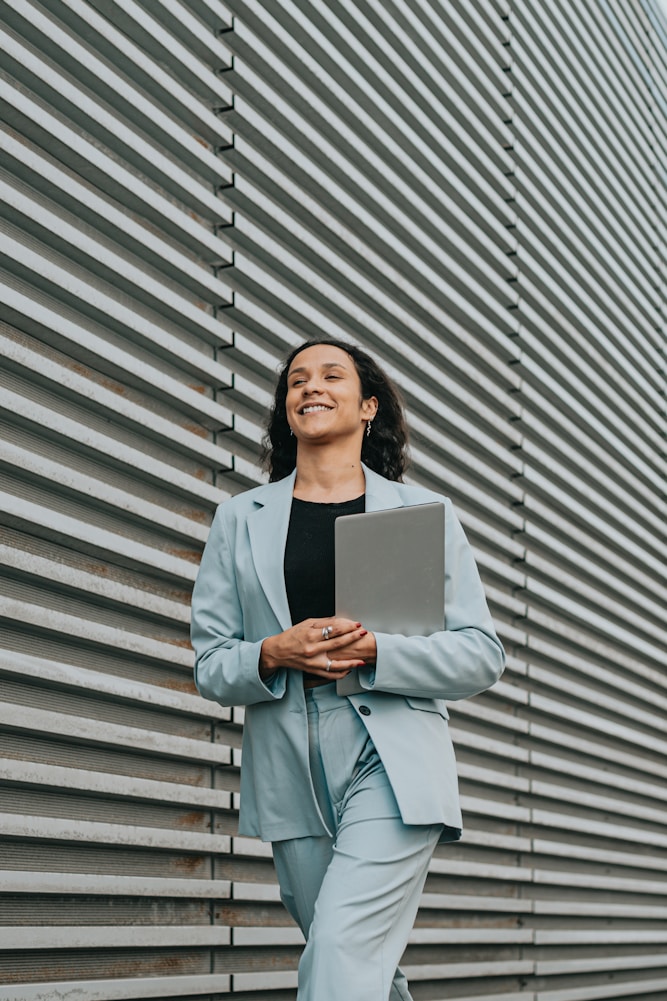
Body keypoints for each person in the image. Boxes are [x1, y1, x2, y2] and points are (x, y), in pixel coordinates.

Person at [191, 338, 505, 1001]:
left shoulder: (421, 514)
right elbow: (212, 664)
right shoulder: (239, 520)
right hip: (287, 761)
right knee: (357, 966)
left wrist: (376, 651)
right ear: (285, 408)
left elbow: (481, 653)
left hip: (388, 755)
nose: (310, 386)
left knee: (338, 949)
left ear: (367, 406)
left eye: (331, 375)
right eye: (296, 380)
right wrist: (273, 652)